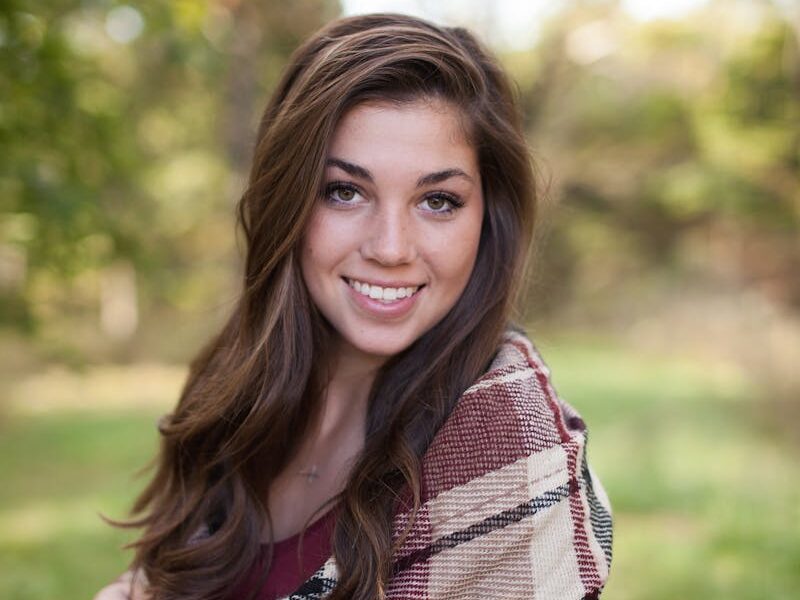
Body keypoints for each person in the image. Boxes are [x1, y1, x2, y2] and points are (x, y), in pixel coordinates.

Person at [95, 12, 612, 600]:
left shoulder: (514, 451)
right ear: (285, 201)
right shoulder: (238, 380)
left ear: (487, 219)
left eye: (438, 201)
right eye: (345, 192)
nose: (390, 248)